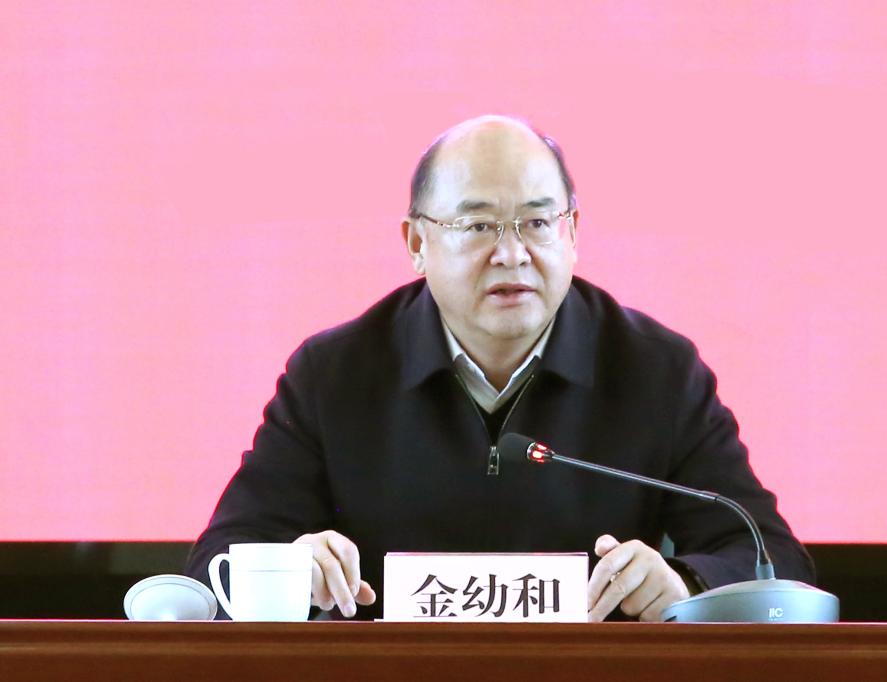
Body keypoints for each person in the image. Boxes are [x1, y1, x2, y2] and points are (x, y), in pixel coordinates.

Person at [184, 115, 814, 622]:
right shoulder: (334, 374)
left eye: (537, 222)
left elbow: (773, 559)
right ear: (416, 243)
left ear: (572, 233)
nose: (512, 253)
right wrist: (290, 569)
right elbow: (214, 568)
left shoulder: (656, 370)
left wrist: (685, 583)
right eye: (478, 224)